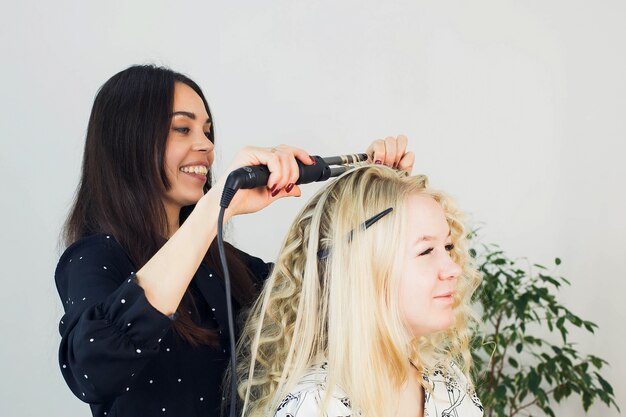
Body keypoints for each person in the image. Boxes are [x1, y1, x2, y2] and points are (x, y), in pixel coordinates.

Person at [55, 64, 414, 417]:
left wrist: (377, 190)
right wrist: (214, 210)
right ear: (127, 141)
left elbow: (320, 293)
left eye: (207, 132)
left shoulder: (224, 264)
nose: (206, 147)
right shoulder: (93, 258)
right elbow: (92, 368)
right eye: (182, 128)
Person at [235, 165, 483, 417]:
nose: (453, 268)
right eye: (426, 251)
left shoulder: (446, 381)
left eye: (448, 246)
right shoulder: (316, 405)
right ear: (359, 268)